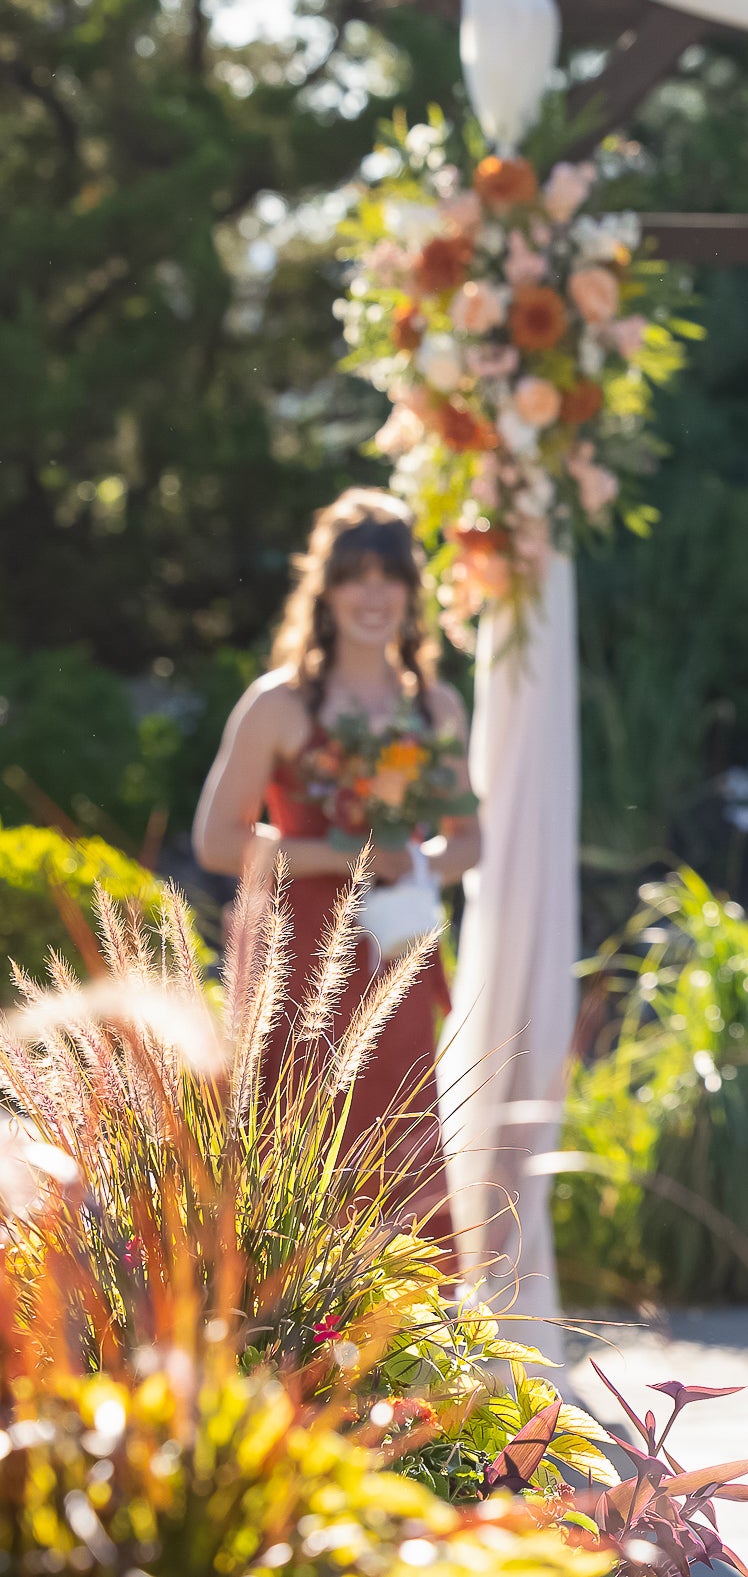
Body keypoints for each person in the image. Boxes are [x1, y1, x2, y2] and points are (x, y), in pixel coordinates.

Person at [193, 487, 477, 1256]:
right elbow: (217, 841)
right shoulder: (277, 704)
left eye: (390, 575)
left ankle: (416, 1351)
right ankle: (288, 1344)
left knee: (402, 1130)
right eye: (356, 575)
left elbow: (469, 843)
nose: (374, 593)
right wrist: (343, 857)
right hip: (298, 952)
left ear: (412, 591)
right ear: (327, 587)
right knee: (294, 1138)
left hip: (395, 951)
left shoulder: (437, 708)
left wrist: (413, 863)